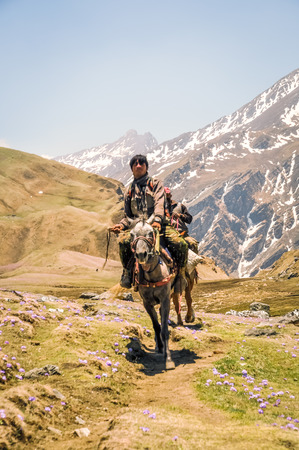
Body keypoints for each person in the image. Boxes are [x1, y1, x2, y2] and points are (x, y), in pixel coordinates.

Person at [110, 155, 188, 288]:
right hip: (137, 228)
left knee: (180, 244)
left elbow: (159, 203)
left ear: (146, 167)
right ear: (132, 169)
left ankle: (181, 275)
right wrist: (121, 225)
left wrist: (157, 219)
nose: (138, 165)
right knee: (123, 243)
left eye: (141, 163)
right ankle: (127, 273)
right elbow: (128, 215)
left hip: (158, 225)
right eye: (135, 164)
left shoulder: (155, 184)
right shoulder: (129, 191)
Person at [164, 186, 199, 253]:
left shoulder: (179, 206)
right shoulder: (159, 209)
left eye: (168, 195)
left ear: (170, 195)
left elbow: (189, 219)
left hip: (182, 234)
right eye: (165, 195)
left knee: (192, 244)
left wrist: (180, 215)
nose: (167, 197)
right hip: (166, 236)